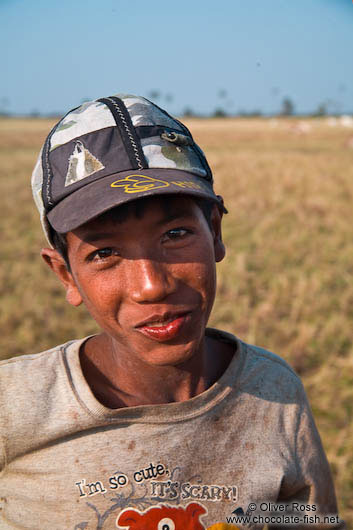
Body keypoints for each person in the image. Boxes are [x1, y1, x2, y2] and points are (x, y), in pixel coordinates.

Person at [0, 94, 344, 530]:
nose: (152, 285)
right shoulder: (12, 408)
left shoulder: (274, 394)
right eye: (104, 252)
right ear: (66, 274)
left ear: (215, 231)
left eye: (175, 233)